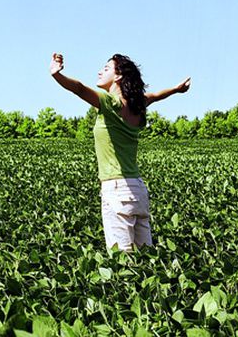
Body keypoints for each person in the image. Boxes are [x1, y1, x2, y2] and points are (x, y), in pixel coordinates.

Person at [49, 52, 191, 251]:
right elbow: (156, 96)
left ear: (118, 76)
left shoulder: (110, 103)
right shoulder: (138, 104)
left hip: (116, 190)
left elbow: (79, 89)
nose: (100, 72)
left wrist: (57, 75)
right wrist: (176, 90)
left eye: (106, 69)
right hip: (138, 190)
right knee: (146, 260)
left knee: (122, 263)